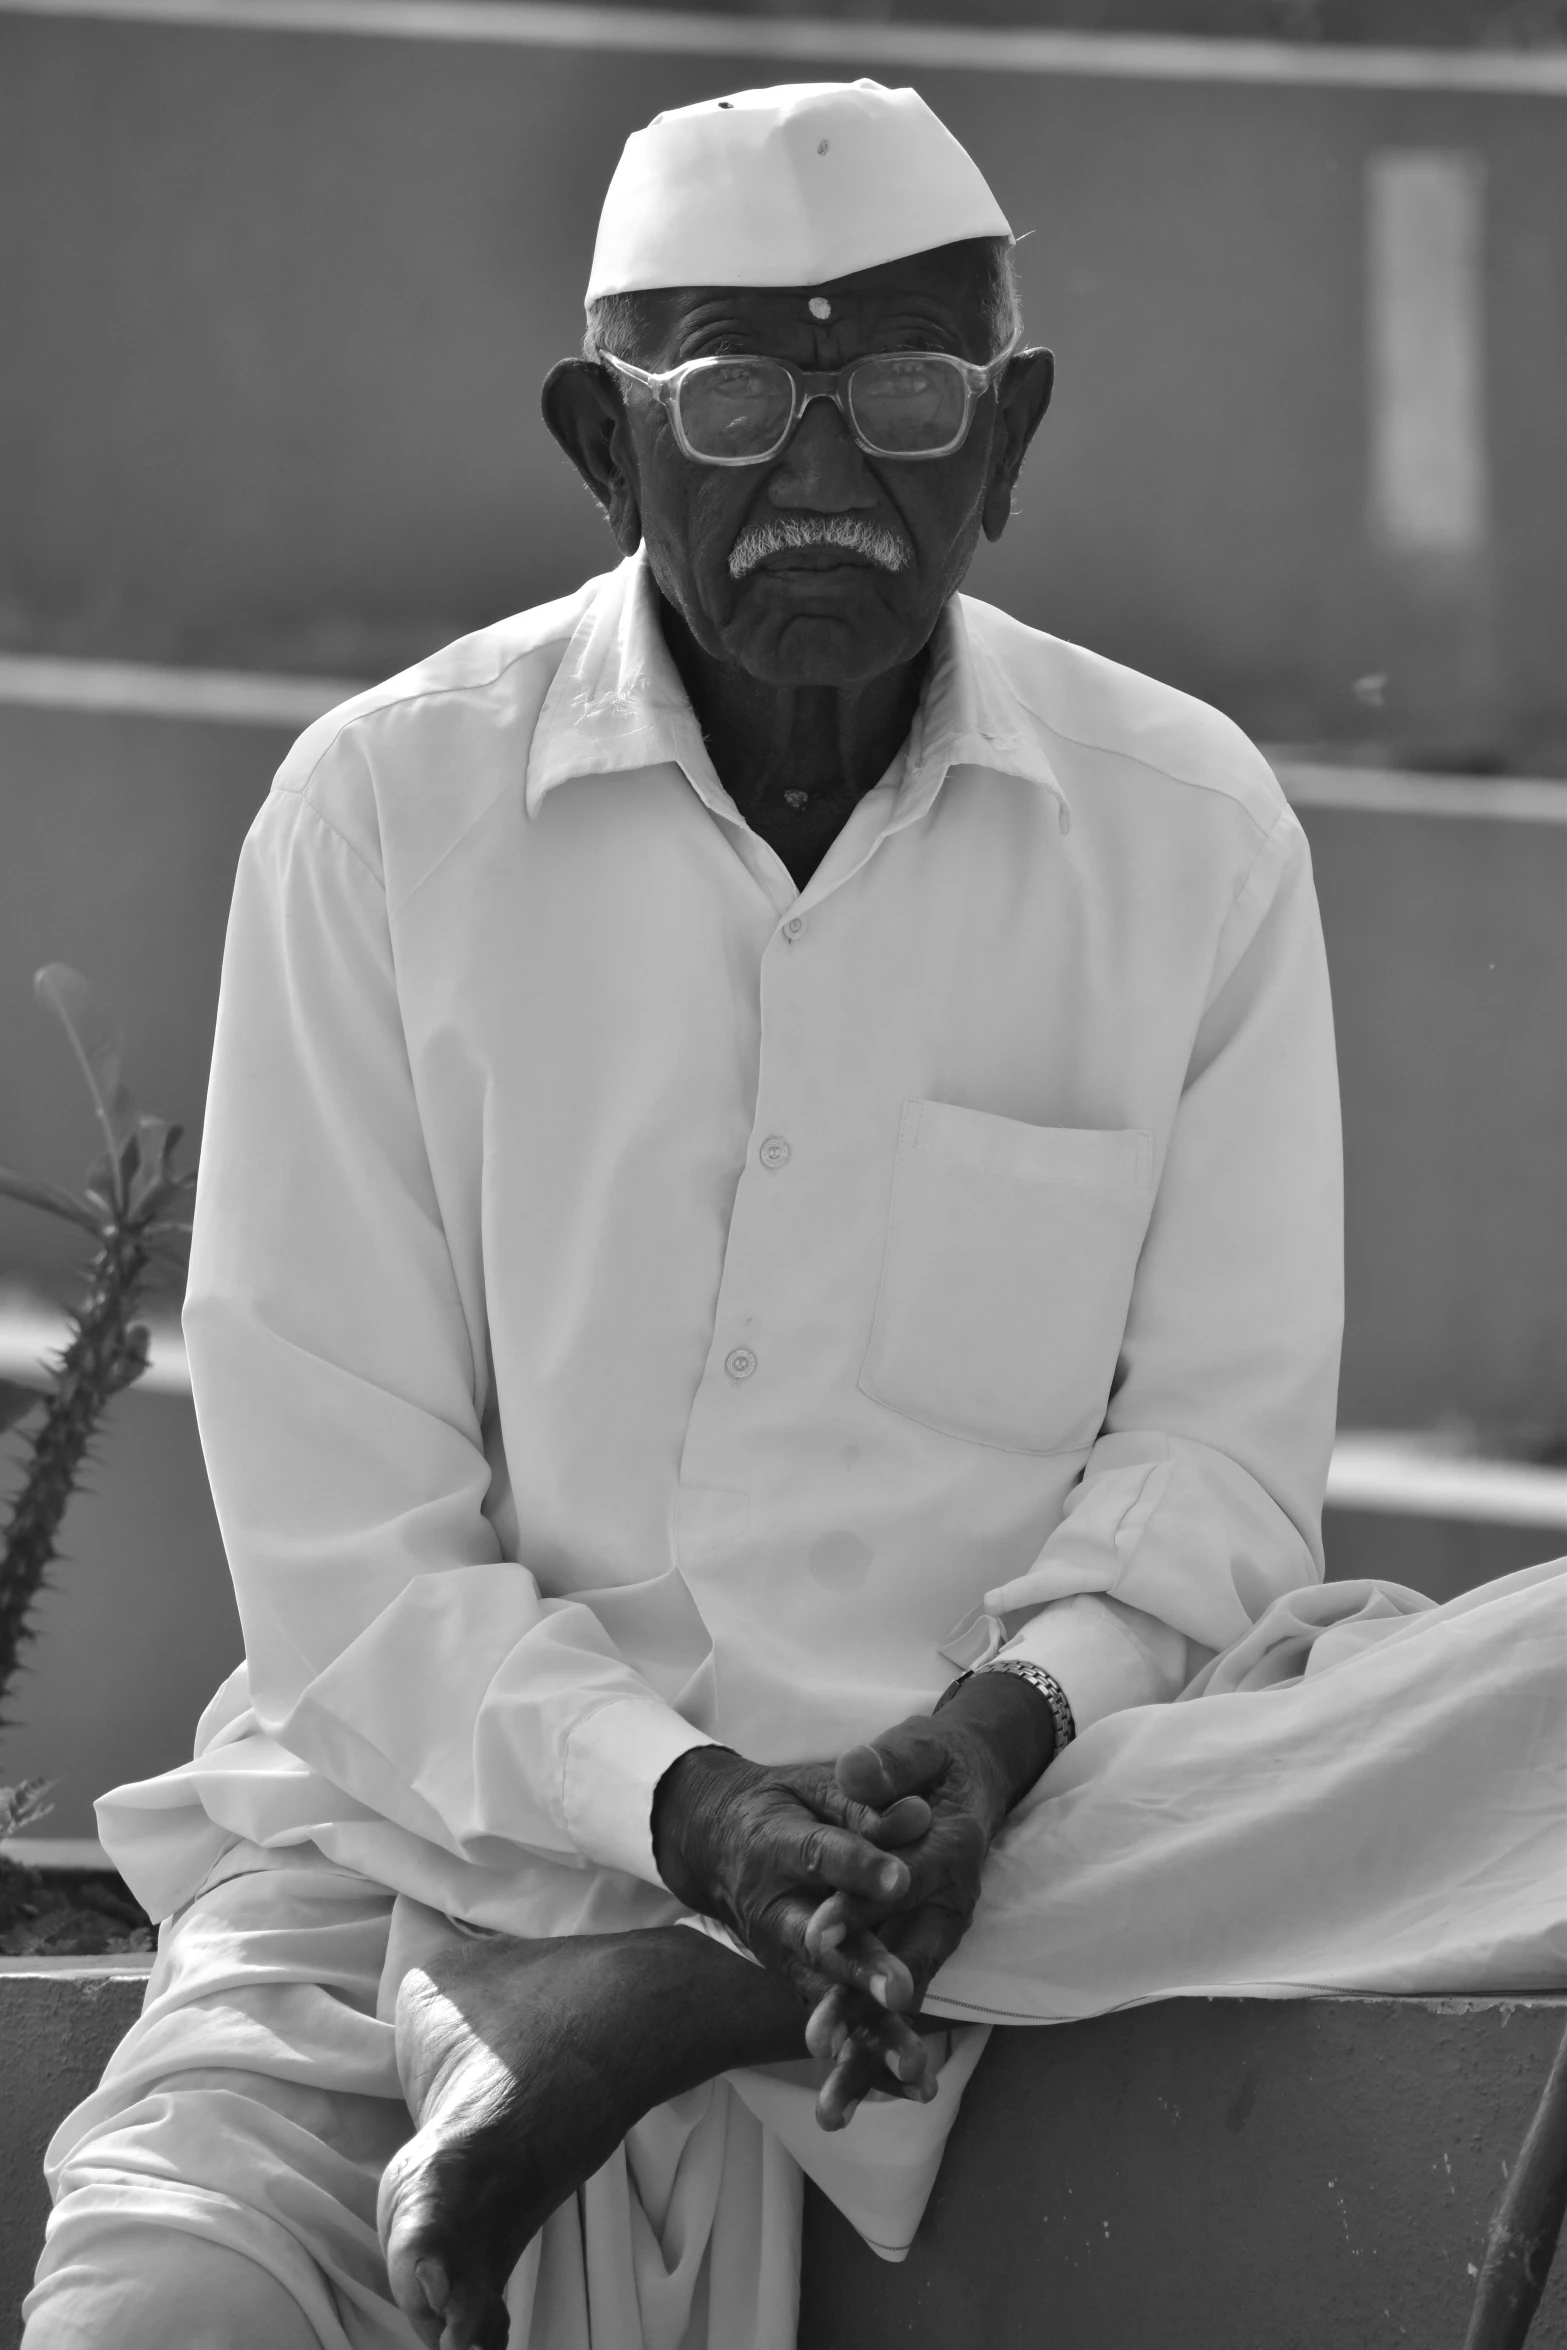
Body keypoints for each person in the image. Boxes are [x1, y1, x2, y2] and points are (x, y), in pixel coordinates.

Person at [24, 78, 1564, 2350]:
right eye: (736, 401)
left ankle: (672, 1999)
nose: (827, 477)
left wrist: (1014, 1720)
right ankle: (660, 1963)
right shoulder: (382, 820)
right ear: (599, 441)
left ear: (1014, 436)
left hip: (1027, 1836)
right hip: (416, 1875)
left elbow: (1214, 1473)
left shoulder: (1188, 829)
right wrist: (690, 1809)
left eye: (910, 396)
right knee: (160, 2314)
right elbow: (351, 1573)